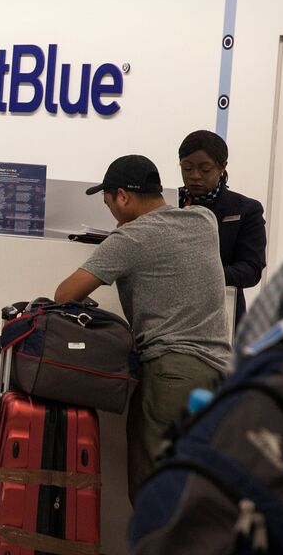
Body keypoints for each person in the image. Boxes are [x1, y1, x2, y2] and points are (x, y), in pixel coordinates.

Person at [54, 154, 231, 501]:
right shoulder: (203, 220)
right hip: (221, 375)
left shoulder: (131, 238)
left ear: (123, 196)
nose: (111, 212)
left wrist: (121, 237)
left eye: (108, 203)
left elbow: (66, 293)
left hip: (171, 377)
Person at [177, 129, 266, 329]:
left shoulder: (245, 209)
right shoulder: (168, 205)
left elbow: (251, 269)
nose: (195, 176)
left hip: (222, 315)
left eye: (205, 169)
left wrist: (203, 274)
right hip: (169, 314)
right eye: (187, 168)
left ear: (222, 167)